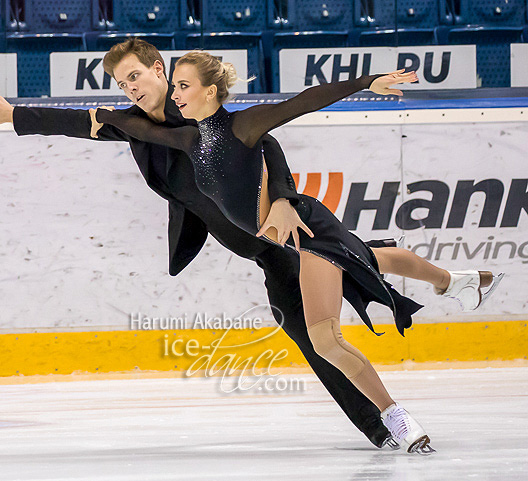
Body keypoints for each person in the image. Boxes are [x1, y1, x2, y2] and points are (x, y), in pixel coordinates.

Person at [0, 39, 403, 450]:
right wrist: (12, 115)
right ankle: (382, 424)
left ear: (159, 69)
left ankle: (386, 419)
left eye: (135, 76)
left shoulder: (197, 110)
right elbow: (82, 121)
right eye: (122, 84)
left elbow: (265, 140)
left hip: (284, 235)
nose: (130, 88)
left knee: (344, 298)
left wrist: (286, 199)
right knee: (318, 324)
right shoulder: (136, 128)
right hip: (261, 252)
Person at [90, 50, 501, 453]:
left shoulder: (244, 126)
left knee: (324, 339)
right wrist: (98, 118)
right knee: (372, 260)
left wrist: (364, 82)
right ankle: (459, 282)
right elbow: (141, 130)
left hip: (305, 232)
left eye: (183, 86)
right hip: (288, 240)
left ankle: (395, 415)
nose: (175, 95)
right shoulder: (187, 138)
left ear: (211, 91)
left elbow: (304, 101)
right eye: (175, 86)